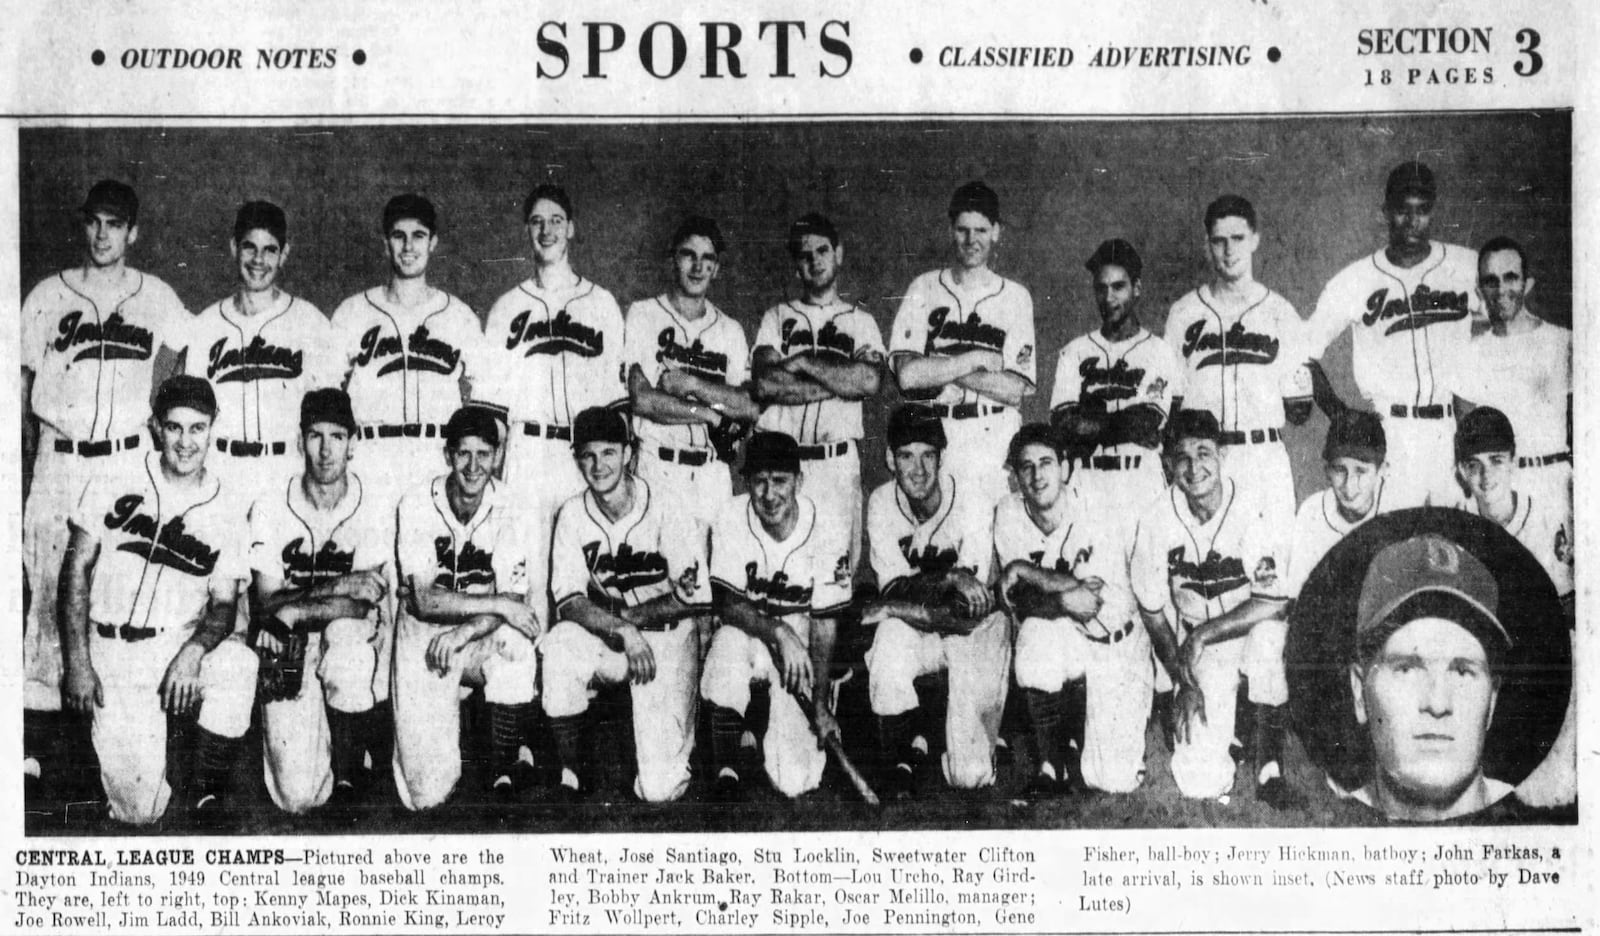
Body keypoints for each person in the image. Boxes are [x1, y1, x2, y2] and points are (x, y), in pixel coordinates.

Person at [21, 181, 192, 793]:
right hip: (59, 461)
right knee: (46, 599)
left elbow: (190, 367)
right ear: (83, 226)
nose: (102, 235)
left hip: (125, 461)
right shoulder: (45, 295)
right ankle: (42, 753)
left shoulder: (158, 297)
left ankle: (109, 741)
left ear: (133, 232)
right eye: (93, 223)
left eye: (114, 225)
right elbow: (19, 392)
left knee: (113, 594)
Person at [57, 376, 257, 827]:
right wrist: (77, 663)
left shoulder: (227, 507)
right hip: (110, 648)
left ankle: (206, 795)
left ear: (213, 429)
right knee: (140, 812)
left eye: (197, 428)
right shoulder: (114, 476)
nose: (186, 442)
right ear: (155, 428)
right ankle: (156, 756)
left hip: (173, 645)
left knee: (237, 665)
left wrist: (192, 653)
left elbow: (224, 606)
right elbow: (75, 570)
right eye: (174, 428)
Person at [540, 407, 711, 801]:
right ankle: (573, 768)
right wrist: (622, 629)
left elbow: (695, 597)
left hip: (667, 640)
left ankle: (686, 728)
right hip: (615, 635)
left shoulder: (667, 505)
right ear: (577, 459)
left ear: (629, 453)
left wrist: (630, 621)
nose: (598, 465)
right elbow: (567, 600)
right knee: (561, 646)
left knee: (658, 790)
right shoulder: (571, 513)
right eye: (588, 455)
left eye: (609, 453)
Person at [471, 184, 628, 599]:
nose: (547, 230)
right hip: (529, 453)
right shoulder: (507, 307)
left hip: (585, 454)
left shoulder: (602, 303)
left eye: (556, 220)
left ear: (571, 229)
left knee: (592, 574)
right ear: (527, 230)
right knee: (531, 576)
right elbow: (492, 412)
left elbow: (617, 404)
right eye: (537, 221)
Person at [1129, 410, 1290, 802]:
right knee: (1198, 783)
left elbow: (1273, 600)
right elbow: (1152, 611)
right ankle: (1228, 728)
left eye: (1204, 453)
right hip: (1199, 647)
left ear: (1222, 456)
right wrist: (1184, 681)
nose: (1194, 466)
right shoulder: (1155, 519)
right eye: (1182, 457)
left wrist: (1204, 634)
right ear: (1168, 466)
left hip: (1247, 627)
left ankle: (1269, 762)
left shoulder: (1251, 506)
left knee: (1270, 640)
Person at [247, 389, 394, 816]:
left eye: (337, 436)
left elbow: (363, 605)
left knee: (346, 639)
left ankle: (349, 770)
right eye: (315, 436)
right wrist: (339, 585)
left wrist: (294, 608)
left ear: (354, 442)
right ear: (299, 442)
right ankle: (325, 744)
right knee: (296, 798)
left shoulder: (375, 504)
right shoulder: (271, 506)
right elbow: (265, 603)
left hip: (346, 637)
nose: (326, 450)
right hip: (287, 646)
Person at [1303, 161, 1481, 508]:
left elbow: (1511, 323)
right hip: (1391, 431)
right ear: (1386, 211)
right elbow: (1301, 351)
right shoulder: (1355, 280)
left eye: (1423, 211)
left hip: (1451, 429)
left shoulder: (1465, 266)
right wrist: (1340, 414)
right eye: (1403, 210)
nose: (1413, 222)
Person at [390, 407, 541, 810]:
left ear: (497, 455)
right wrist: (496, 604)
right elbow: (424, 600)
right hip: (424, 633)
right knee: (424, 795)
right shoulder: (417, 501)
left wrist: (465, 630)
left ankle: (503, 766)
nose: (474, 467)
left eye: (484, 454)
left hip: (475, 631)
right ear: (447, 455)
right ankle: (463, 723)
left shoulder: (513, 505)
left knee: (517, 647)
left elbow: (515, 602)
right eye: (463, 454)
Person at [860, 406, 1011, 799]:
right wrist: (947, 577)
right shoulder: (880, 502)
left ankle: (947, 730)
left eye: (928, 455)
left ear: (942, 458)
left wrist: (902, 605)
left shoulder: (971, 500)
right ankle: (901, 757)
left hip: (976, 632)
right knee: (888, 641)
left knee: (970, 776)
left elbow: (965, 612)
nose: (918, 469)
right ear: (890, 459)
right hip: (923, 624)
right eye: (906, 456)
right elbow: (893, 590)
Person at [993, 423, 1150, 797]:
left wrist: (1026, 570)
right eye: (1026, 466)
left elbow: (1091, 600)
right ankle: (1051, 763)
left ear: (1065, 469)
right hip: (1067, 631)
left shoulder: (1096, 505)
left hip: (1117, 644)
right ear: (1015, 476)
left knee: (1113, 780)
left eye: (1046, 462)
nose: (1036, 475)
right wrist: (1061, 597)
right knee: (1033, 641)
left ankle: (1077, 735)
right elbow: (1021, 601)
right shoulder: (1008, 512)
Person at [700, 432, 852, 801]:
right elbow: (727, 602)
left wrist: (817, 704)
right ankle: (727, 768)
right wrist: (777, 631)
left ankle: (764, 717)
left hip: (804, 636)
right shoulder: (731, 514)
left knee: (796, 781)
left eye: (780, 481)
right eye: (759, 481)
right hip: (752, 627)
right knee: (725, 650)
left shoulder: (829, 522)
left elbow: (826, 622)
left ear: (799, 481)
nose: (769, 494)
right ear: (746, 482)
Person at [330, 194, 489, 513]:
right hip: (371, 455)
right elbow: (325, 397)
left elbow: (487, 401)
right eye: (398, 236)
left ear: (433, 243)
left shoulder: (457, 315)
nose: (408, 247)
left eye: (418, 236)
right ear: (385, 243)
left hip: (436, 454)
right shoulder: (352, 312)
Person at [1452, 406, 1574, 809]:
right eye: (1474, 465)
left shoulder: (1543, 520)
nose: (1486, 478)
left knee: (1550, 796)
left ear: (1515, 463)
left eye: (1497, 462)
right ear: (1461, 472)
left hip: (1535, 653)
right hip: (1481, 654)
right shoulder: (1456, 521)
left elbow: (1568, 612)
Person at [1164, 195, 1311, 527]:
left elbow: (1300, 410)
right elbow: (1170, 407)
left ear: (1255, 239)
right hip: (1204, 461)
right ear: (1207, 245)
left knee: (1270, 568)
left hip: (1263, 457)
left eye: (1238, 239)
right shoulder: (1183, 314)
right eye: (1219, 241)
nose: (1229, 251)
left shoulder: (1280, 313)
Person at [889, 181, 1036, 513]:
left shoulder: (1015, 296)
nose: (972, 241)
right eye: (963, 230)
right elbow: (908, 376)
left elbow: (1013, 389)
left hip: (994, 438)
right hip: (937, 436)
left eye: (981, 230)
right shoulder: (923, 287)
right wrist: (978, 359)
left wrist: (940, 366)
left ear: (996, 231)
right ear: (950, 230)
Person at [1345, 534, 1513, 821]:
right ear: (1360, 692)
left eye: (1462, 671)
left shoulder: (1534, 813)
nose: (1437, 704)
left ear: (1492, 701)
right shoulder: (1321, 820)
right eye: (1407, 669)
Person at [751, 212, 885, 570]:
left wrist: (805, 362)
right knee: (778, 569)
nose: (815, 261)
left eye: (822, 250)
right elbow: (766, 384)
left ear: (838, 254)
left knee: (836, 573)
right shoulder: (776, 317)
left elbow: (870, 382)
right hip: (782, 466)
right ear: (797, 267)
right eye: (805, 255)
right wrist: (839, 383)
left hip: (836, 464)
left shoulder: (861, 320)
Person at [184, 201, 342, 502]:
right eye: (249, 247)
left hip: (287, 469)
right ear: (233, 248)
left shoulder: (310, 322)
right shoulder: (205, 325)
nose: (258, 259)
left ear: (284, 254)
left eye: (269, 249)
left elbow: (328, 418)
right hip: (221, 468)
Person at [623, 215, 759, 529]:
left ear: (717, 268)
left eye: (707, 259)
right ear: (672, 259)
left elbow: (746, 407)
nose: (698, 267)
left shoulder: (730, 330)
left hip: (712, 476)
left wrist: (691, 383)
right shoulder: (643, 314)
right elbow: (643, 400)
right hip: (659, 467)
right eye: (689, 255)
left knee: (711, 573)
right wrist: (710, 414)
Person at [1051, 238, 1180, 518]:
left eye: (1118, 287)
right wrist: (1123, 422)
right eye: (1101, 288)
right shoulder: (1073, 352)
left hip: (1141, 483)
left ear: (1137, 289)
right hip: (1087, 483)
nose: (1109, 298)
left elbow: (1146, 422)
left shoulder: (1159, 351)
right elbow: (1063, 427)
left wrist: (1089, 420)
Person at [1455, 236, 1572, 527]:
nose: (1501, 289)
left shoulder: (1563, 343)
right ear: (1479, 290)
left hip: (1554, 486)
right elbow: (1467, 441)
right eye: (1491, 281)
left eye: (1511, 278)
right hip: (1499, 493)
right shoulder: (1469, 354)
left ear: (1527, 284)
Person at [1286, 410, 1393, 599]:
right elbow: (1298, 595)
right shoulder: (1312, 511)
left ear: (1382, 470)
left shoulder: (1398, 508)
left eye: (1361, 471)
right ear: (1327, 471)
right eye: (1340, 470)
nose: (1349, 485)